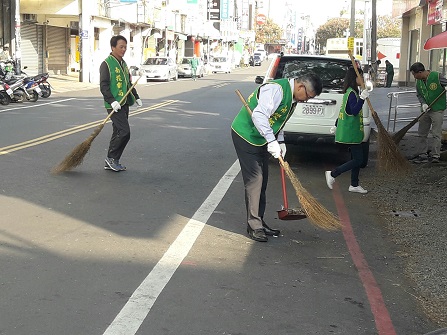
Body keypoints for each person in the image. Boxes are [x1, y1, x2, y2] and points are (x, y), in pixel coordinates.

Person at [231, 73, 323, 242]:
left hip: (261, 138)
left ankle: (259, 221)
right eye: (308, 97)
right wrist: (271, 140)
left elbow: (278, 120)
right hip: (246, 135)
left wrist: (280, 141)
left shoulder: (293, 99)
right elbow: (259, 115)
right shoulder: (276, 90)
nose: (306, 100)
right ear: (301, 87)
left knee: (263, 180)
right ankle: (253, 225)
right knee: (255, 180)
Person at [100, 35, 142, 172]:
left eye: (125, 47)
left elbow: (128, 84)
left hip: (124, 103)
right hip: (114, 105)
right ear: (113, 47)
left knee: (118, 131)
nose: (123, 49)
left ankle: (112, 160)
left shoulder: (123, 64)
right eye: (121, 47)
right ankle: (111, 158)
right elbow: (104, 86)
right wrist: (112, 101)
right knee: (125, 132)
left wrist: (136, 97)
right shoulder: (106, 64)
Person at [325, 67, 370, 194]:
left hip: (354, 132)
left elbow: (344, 111)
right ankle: (333, 174)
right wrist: (362, 99)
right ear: (354, 78)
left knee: (357, 157)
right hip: (351, 132)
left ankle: (354, 184)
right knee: (358, 160)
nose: (362, 79)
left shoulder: (350, 92)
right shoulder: (352, 93)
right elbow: (354, 111)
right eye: (360, 76)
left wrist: (336, 124)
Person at [409, 62, 446, 163]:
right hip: (426, 110)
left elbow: (446, 84)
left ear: (420, 72)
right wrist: (423, 104)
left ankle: (435, 155)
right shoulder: (419, 82)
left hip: (437, 109)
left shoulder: (437, 76)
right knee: (422, 133)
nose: (414, 77)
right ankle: (422, 154)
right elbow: (419, 95)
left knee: (436, 133)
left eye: (414, 74)